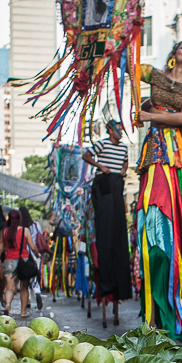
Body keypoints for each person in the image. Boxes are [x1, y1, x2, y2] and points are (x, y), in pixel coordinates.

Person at [135, 40, 182, 346]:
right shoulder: (154, 75)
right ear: (173, 54)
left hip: (181, 157)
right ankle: (152, 317)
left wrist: (150, 116)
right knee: (152, 218)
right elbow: (129, 67)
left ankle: (179, 316)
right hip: (155, 154)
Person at [82, 119, 132, 328]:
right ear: (111, 130)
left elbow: (126, 161)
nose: (120, 132)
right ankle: (105, 282)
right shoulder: (102, 144)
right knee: (105, 230)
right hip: (103, 181)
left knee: (118, 233)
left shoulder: (124, 148)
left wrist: (124, 170)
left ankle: (120, 284)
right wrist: (100, 166)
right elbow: (86, 154)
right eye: (117, 129)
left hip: (116, 183)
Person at [0, 209, 35, 317]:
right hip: (23, 261)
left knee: (10, 287)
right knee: (24, 287)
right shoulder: (25, 231)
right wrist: (38, 255)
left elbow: (0, 247)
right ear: (20, 219)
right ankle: (23, 312)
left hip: (9, 260)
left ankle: (8, 306)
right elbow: (32, 247)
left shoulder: (4, 231)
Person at [20, 205, 45, 311]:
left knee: (25, 279)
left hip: (24, 255)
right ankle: (37, 292)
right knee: (34, 277)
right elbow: (41, 236)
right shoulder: (35, 225)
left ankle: (28, 300)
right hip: (35, 253)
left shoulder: (20, 228)